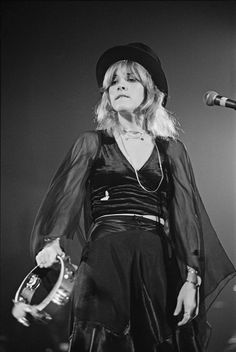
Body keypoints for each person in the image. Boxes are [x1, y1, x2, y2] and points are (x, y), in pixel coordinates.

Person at [27, 43, 235, 351]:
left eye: (130, 79)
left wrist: (191, 280)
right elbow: (67, 194)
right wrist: (53, 240)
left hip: (156, 261)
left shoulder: (171, 149)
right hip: (104, 259)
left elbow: (185, 214)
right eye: (113, 82)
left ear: (152, 92)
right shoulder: (92, 143)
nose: (120, 85)